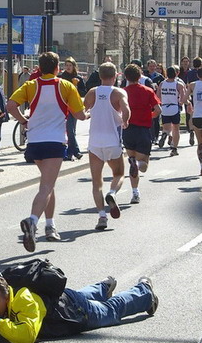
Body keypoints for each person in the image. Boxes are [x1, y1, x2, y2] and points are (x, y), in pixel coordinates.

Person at [6, 52, 87, 252]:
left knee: (48, 185)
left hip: (34, 142)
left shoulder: (30, 85)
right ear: (57, 67)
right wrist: (88, 112)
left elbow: (10, 105)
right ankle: (33, 221)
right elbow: (80, 115)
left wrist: (24, 121)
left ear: (40, 68)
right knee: (46, 187)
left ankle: (50, 226)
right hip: (55, 141)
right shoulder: (66, 86)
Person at [0, 272, 158, 343]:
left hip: (75, 312)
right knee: (83, 296)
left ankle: (144, 292)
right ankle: (102, 287)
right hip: (63, 300)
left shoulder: (25, 300)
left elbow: (27, 336)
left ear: (7, 295)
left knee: (111, 311)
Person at [83, 62, 130, 231]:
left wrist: (88, 114)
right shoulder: (118, 92)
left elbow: (82, 111)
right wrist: (125, 121)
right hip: (112, 140)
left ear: (100, 76)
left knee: (97, 182)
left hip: (95, 142)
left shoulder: (92, 92)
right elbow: (126, 109)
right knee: (119, 173)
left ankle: (102, 216)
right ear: (116, 75)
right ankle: (112, 193)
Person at [122, 64, 162, 204]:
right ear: (140, 76)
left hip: (127, 130)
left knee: (131, 158)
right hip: (143, 130)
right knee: (143, 165)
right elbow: (158, 110)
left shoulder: (122, 92)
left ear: (126, 77)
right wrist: (149, 115)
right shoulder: (148, 91)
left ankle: (135, 193)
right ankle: (136, 165)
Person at [58, 57, 86, 161]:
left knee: (71, 129)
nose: (68, 67)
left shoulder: (78, 78)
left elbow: (84, 92)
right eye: (66, 65)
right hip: (63, 106)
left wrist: (77, 87)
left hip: (74, 106)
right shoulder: (61, 77)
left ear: (74, 66)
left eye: (70, 65)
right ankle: (74, 152)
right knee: (69, 130)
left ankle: (73, 152)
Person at [156, 67, 186, 157]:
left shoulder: (162, 84)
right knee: (176, 129)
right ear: (176, 74)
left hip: (164, 108)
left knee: (166, 127)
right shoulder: (178, 84)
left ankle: (165, 134)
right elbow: (183, 97)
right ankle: (174, 148)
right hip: (174, 108)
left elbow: (157, 96)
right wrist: (182, 103)